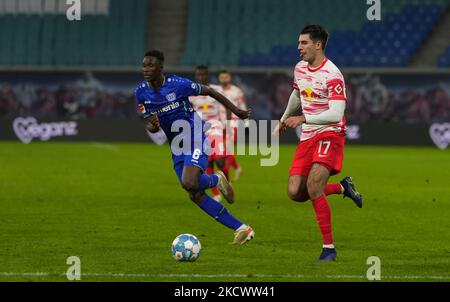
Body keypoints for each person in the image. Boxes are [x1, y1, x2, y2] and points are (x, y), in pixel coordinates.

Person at [135, 50, 254, 245]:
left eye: (151, 65)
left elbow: (211, 91)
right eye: (144, 65)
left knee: (189, 182)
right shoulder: (140, 92)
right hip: (177, 146)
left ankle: (215, 178)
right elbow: (148, 121)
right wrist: (152, 125)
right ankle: (241, 228)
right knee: (194, 193)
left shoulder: (178, 84)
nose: (146, 69)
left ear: (161, 68)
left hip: (196, 136)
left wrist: (236, 111)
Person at [273, 25, 363, 262]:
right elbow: (297, 94)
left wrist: (302, 118)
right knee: (295, 192)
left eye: (303, 43)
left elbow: (336, 113)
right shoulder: (300, 68)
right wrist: (283, 119)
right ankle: (343, 188)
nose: (299, 48)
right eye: (299, 43)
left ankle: (329, 249)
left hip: (330, 133)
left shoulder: (333, 75)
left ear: (318, 45)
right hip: (309, 136)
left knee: (313, 185)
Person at [189, 65, 229, 202]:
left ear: (207, 75)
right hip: (200, 130)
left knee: (220, 160)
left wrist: (224, 126)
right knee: (207, 164)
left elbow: (223, 108)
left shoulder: (215, 90)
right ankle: (216, 194)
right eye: (198, 75)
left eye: (203, 75)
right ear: (196, 76)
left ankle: (226, 184)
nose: (201, 77)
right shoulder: (191, 94)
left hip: (216, 126)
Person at [215, 70, 247, 181]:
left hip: (232, 123)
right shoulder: (216, 90)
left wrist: (246, 123)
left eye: (226, 77)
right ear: (219, 78)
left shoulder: (236, 91)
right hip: (218, 123)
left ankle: (224, 174)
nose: (224, 79)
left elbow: (242, 106)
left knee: (226, 150)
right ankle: (237, 168)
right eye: (222, 77)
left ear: (230, 78)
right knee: (222, 149)